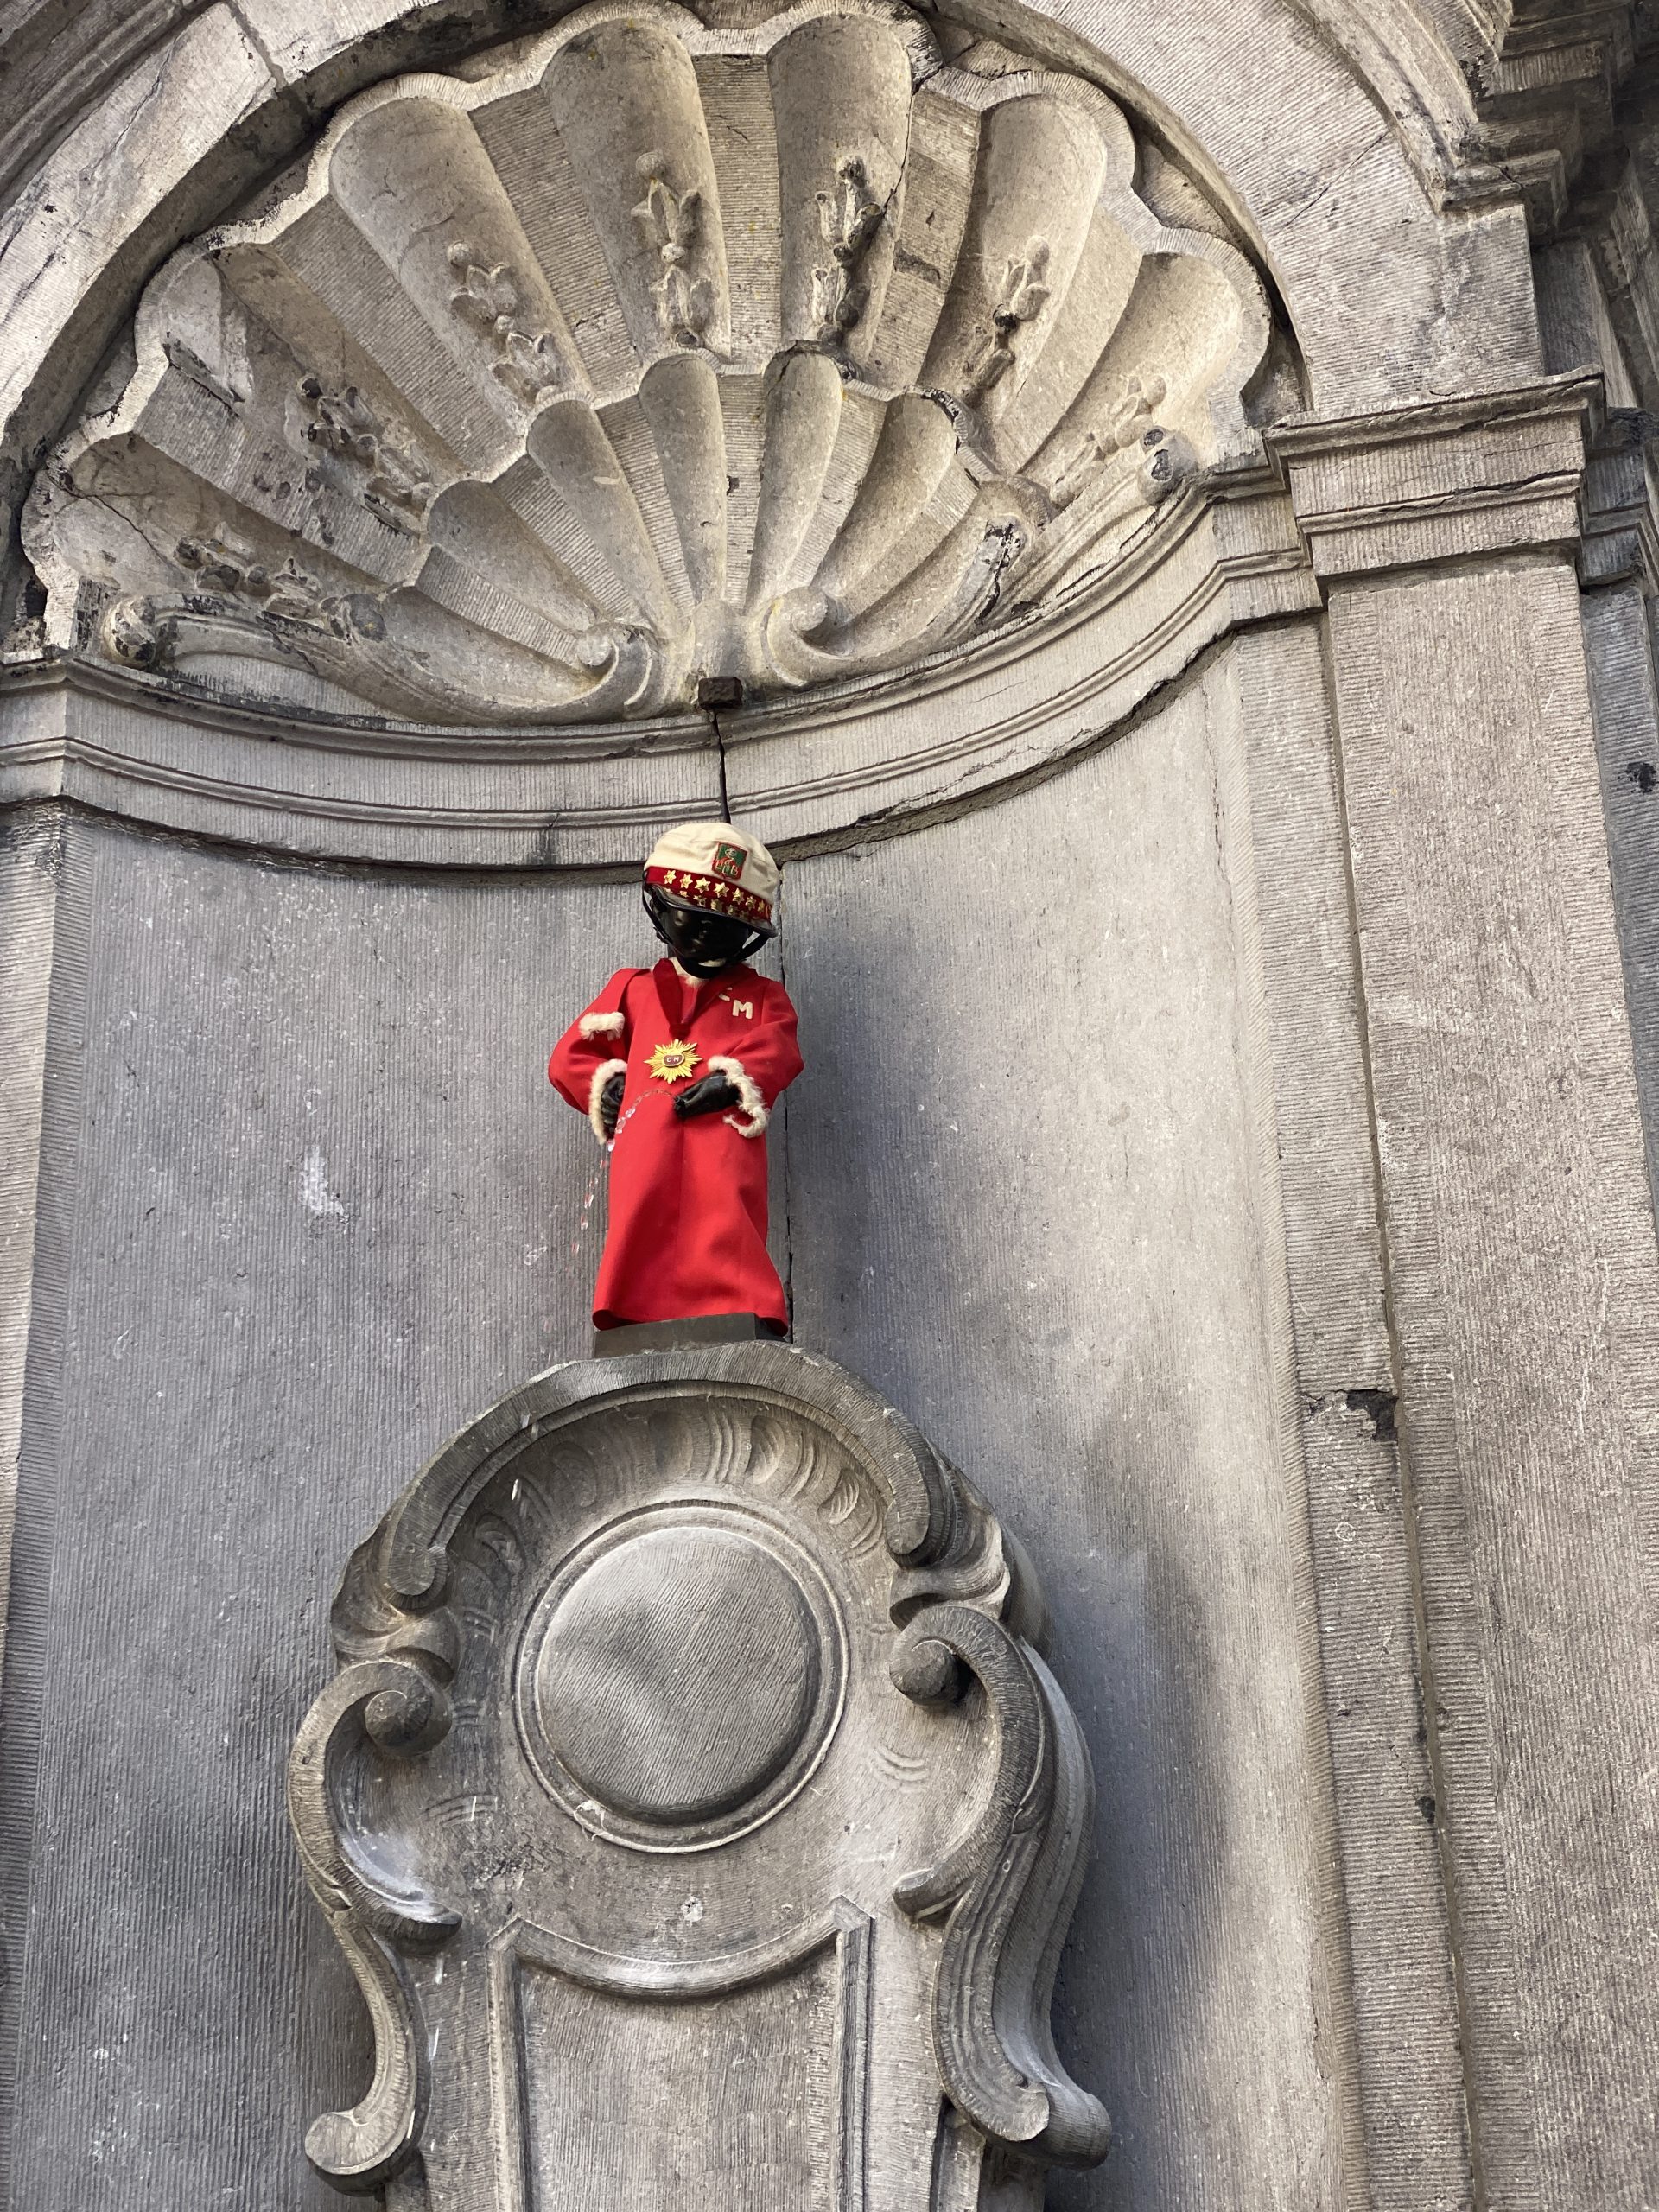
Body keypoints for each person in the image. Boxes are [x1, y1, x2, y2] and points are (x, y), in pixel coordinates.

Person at [548, 821, 803, 1333]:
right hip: (648, 1137)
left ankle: (739, 1304)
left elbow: (779, 1049)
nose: (707, 931)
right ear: (660, 909)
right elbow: (571, 1056)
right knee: (641, 1213)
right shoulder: (632, 988)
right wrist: (605, 1084)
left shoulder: (762, 997)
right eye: (693, 914)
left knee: (725, 1216)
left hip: (722, 1137)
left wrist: (735, 1080)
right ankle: (634, 1305)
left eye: (724, 922)